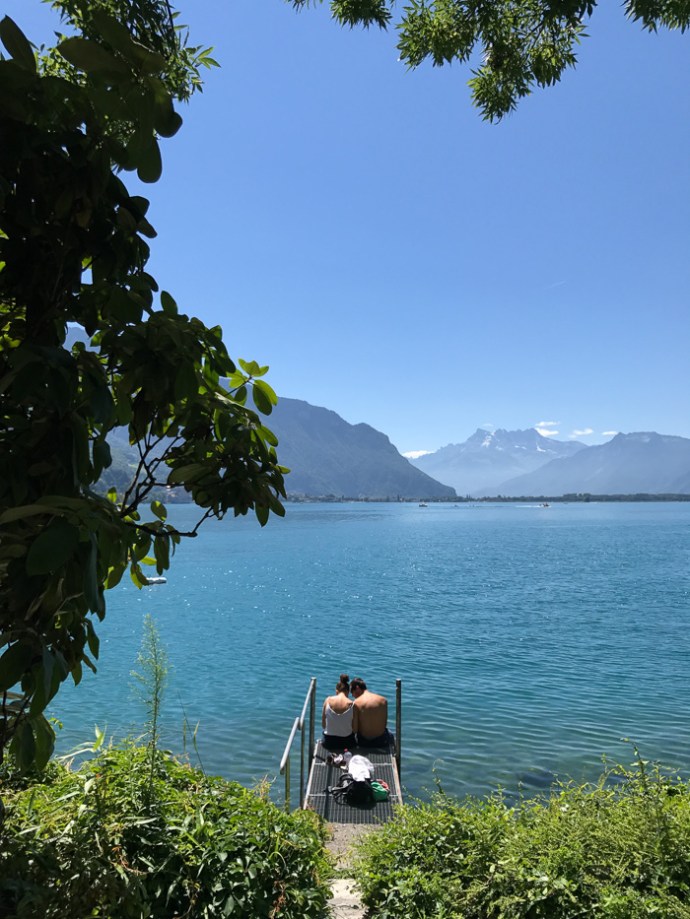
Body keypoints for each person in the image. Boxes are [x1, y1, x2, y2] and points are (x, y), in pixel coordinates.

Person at [351, 676, 393, 748]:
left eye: (352, 692)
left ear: (357, 688)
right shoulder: (383, 700)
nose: (352, 695)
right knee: (391, 734)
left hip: (364, 742)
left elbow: (355, 729)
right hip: (381, 741)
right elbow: (384, 724)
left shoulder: (356, 703)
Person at [321, 673, 358, 751]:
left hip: (328, 743)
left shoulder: (327, 700)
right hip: (347, 743)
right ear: (348, 691)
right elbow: (355, 729)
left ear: (336, 691)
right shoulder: (353, 705)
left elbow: (324, 725)